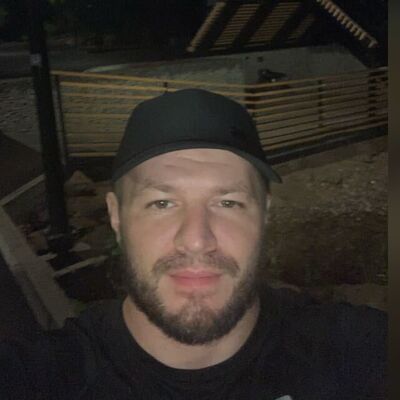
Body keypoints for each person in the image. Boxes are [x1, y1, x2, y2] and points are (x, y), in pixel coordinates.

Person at [0, 89, 386, 399]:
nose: (197, 239)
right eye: (162, 203)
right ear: (116, 217)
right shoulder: (42, 377)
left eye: (228, 203)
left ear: (265, 214)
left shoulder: (355, 352)